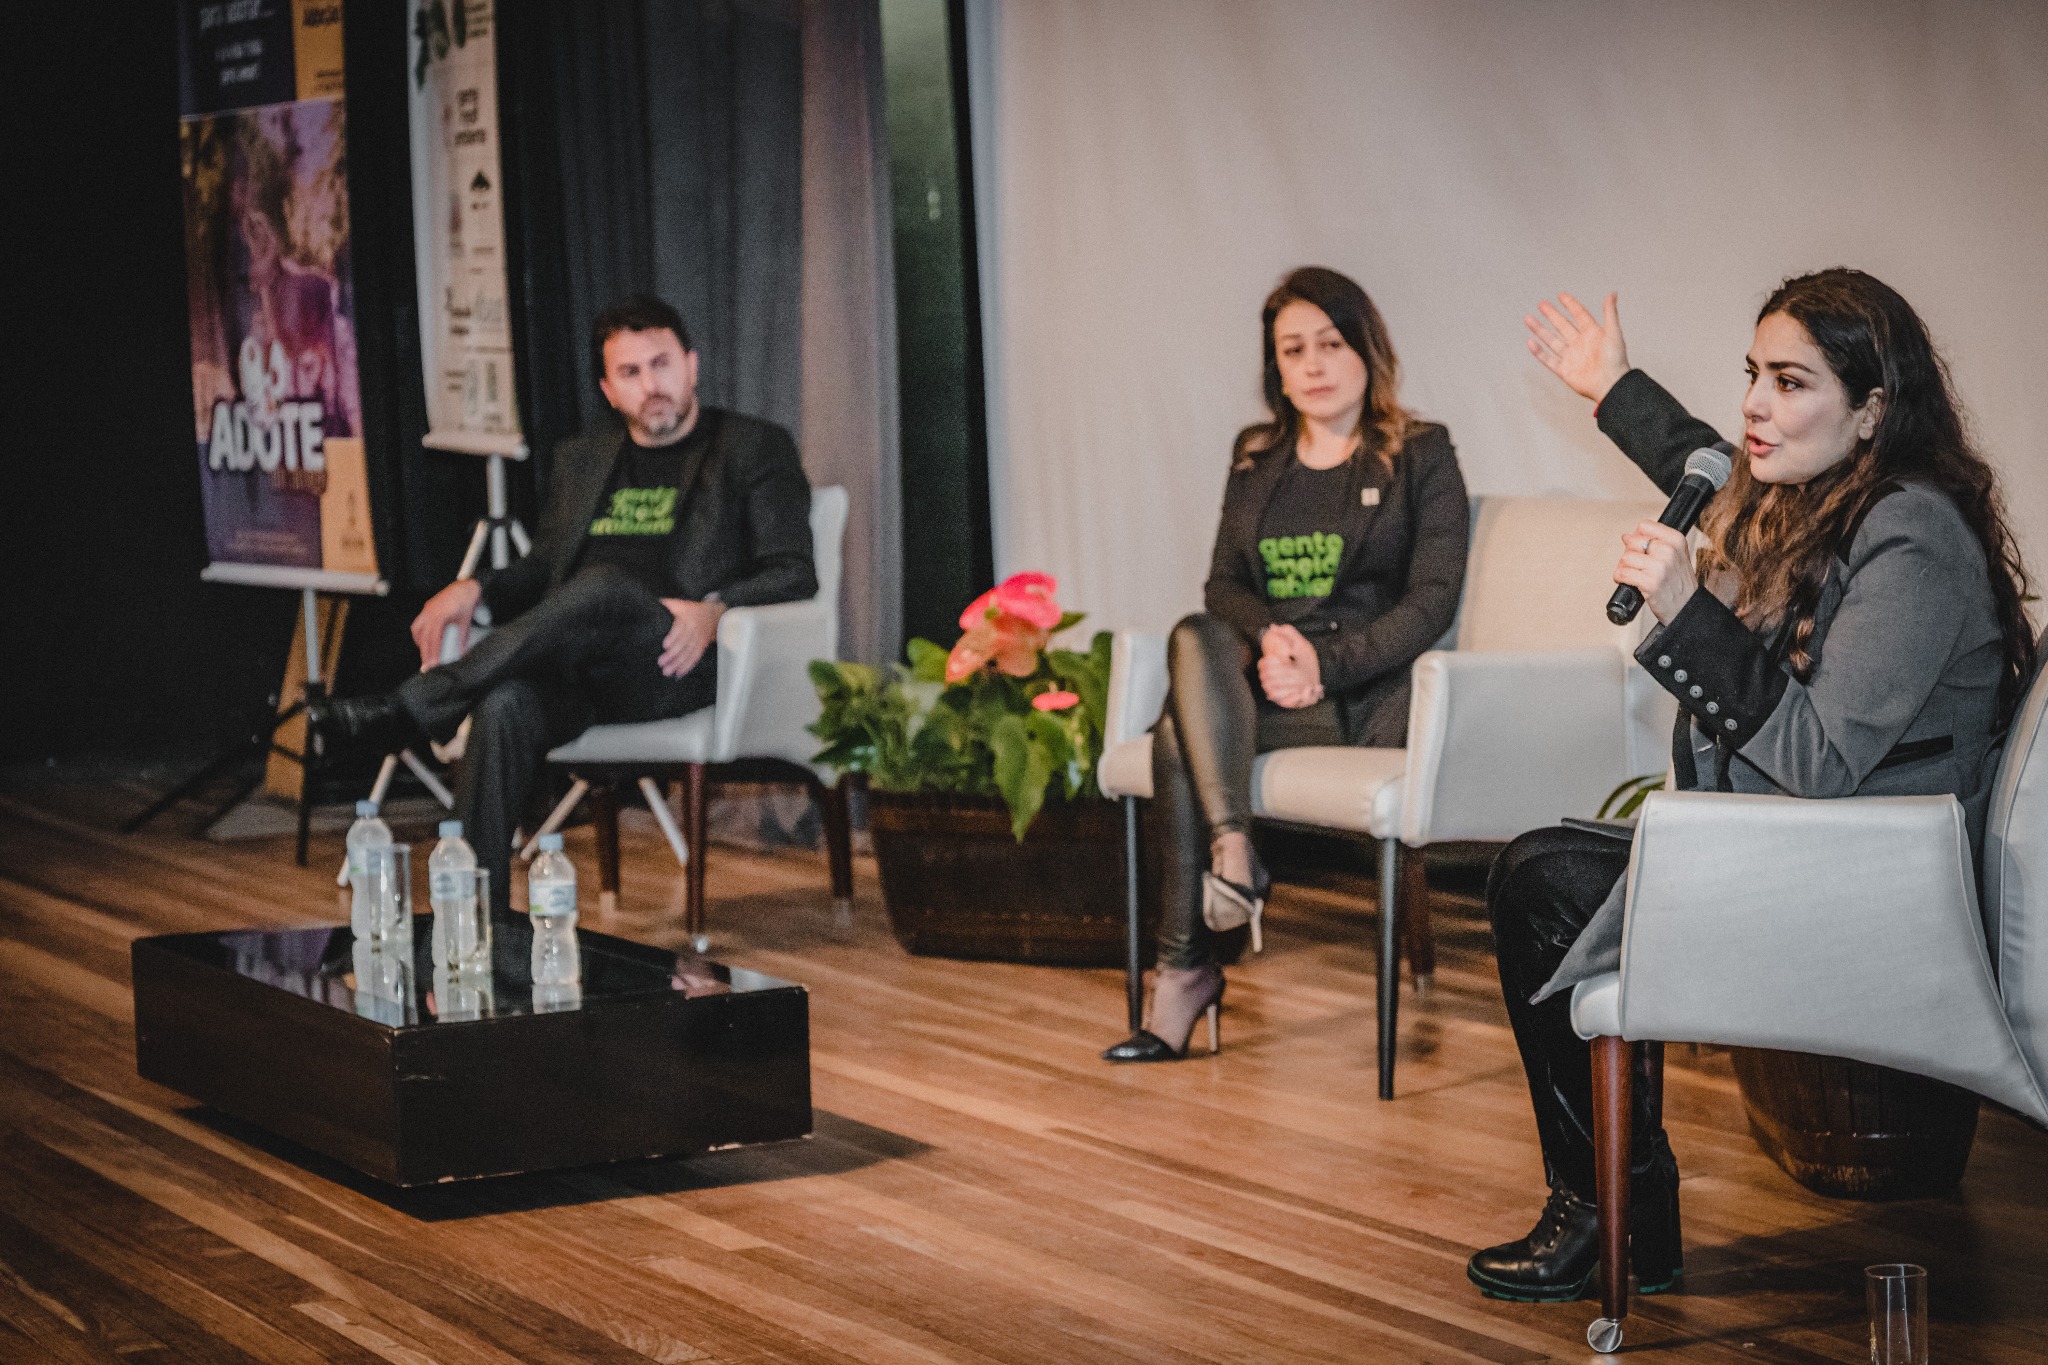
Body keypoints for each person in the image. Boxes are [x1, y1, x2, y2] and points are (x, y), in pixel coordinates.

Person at [1469, 270, 2035, 1302]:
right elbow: (1707, 462)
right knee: (1535, 874)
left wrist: (1687, 609)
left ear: (1870, 410)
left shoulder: (1912, 534)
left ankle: (1609, 1213)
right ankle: (1620, 1211)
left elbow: (1818, 761)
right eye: (1751, 375)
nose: (1753, 406)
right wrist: (1610, 385)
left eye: (1789, 382)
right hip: (1804, 857)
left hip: (1871, 895)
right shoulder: (1828, 501)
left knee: (1543, 880)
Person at [313, 295, 816, 916]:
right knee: (504, 705)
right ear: (608, 390)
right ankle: (474, 919)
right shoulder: (583, 459)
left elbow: (794, 571)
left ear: (692, 365)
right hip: (577, 672)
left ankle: (418, 702)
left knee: (606, 585)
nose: (651, 386)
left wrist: (715, 608)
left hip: (670, 662)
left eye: (661, 364)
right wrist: (479, 588)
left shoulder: (752, 447)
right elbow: (542, 573)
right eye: (630, 372)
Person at [1102, 266, 1469, 1063]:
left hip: (1363, 691)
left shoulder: (1420, 453)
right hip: (1269, 683)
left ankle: (1186, 968)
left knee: (1177, 734)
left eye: (1330, 344)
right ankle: (1234, 850)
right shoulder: (1257, 455)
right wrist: (1273, 640)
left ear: (1367, 348)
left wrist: (1324, 664)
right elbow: (1223, 584)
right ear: (1275, 364)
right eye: (1293, 349)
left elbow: (1432, 600)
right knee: (1197, 632)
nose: (1313, 365)